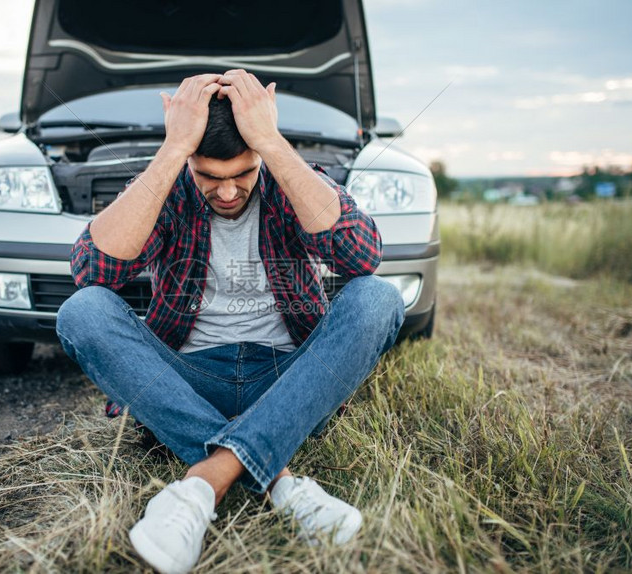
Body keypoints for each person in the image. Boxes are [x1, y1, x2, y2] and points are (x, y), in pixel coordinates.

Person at [56, 70, 405, 574]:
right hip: (187, 382)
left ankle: (203, 483)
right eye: (209, 177)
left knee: (377, 298)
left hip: (287, 379)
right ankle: (280, 479)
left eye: (242, 173)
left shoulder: (288, 178)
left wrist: (271, 142)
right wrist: (174, 149)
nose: (225, 192)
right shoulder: (170, 184)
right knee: (83, 312)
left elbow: (362, 256)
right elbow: (93, 271)